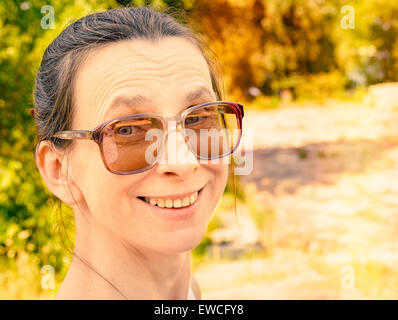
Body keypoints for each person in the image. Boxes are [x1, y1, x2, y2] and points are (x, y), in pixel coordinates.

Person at [32, 6, 244, 299]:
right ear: (58, 170)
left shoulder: (190, 292)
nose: (183, 161)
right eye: (128, 130)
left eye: (197, 118)